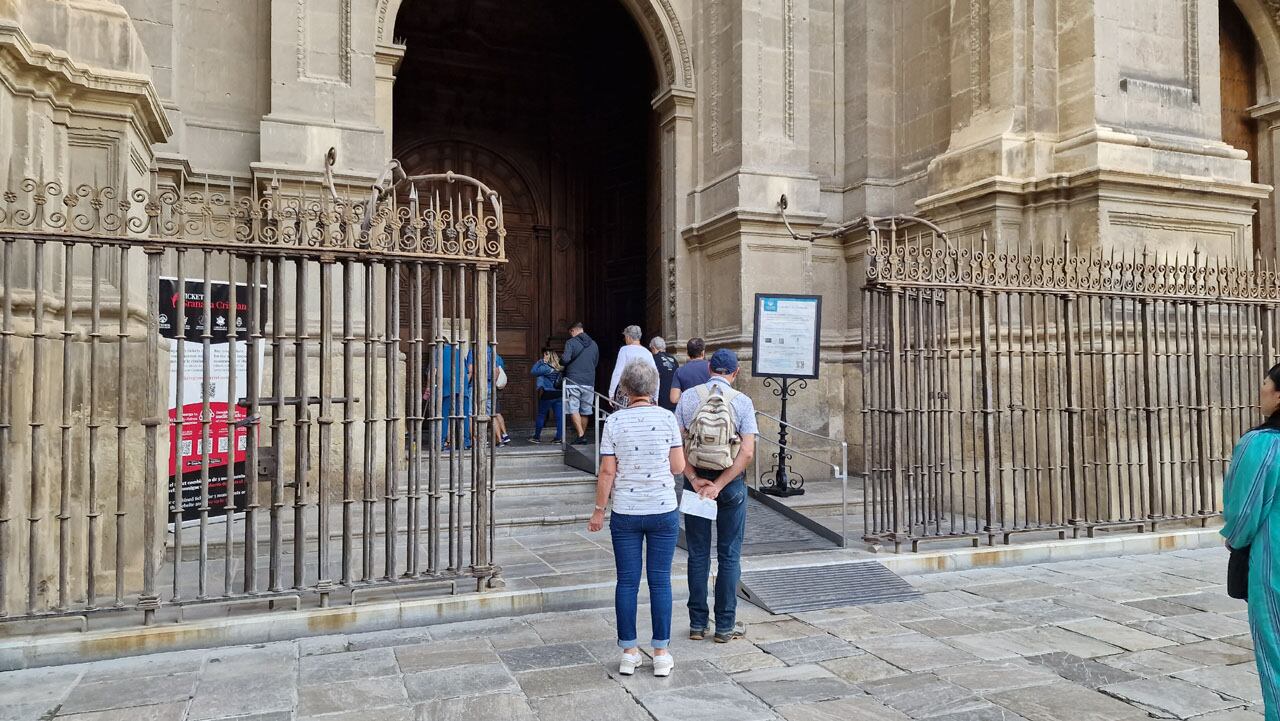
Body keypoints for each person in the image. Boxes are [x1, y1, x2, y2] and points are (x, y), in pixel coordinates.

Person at [587, 360, 685, 678]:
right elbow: (678, 467)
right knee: (660, 581)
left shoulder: (614, 422)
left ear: (626, 390)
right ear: (654, 387)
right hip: (662, 508)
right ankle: (661, 653)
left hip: (626, 511)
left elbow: (606, 471)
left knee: (627, 582)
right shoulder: (668, 419)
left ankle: (629, 652)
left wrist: (599, 510)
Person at [674, 348, 756, 644]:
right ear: (735, 372)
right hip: (730, 484)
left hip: (696, 482)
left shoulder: (688, 397)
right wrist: (720, 485)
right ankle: (724, 626)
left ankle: (697, 625)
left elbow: (677, 442)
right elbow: (747, 452)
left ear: (710, 368)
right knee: (729, 554)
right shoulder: (743, 402)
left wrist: (695, 479)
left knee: (697, 553)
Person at [1222, 362, 1280, 719]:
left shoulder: (1261, 445)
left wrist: (1234, 539)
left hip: (1273, 566)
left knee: (1276, 654)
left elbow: (1242, 515)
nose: (1260, 392)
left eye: (1264, 385)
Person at [561, 322, 600, 445]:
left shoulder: (570, 343)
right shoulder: (594, 344)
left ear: (573, 331)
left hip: (573, 381)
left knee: (573, 408)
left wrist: (561, 361)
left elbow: (565, 359)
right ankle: (581, 435)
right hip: (589, 381)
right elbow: (596, 362)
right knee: (585, 410)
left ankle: (581, 435)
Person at [608, 325, 657, 407]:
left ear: (628, 337)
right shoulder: (647, 353)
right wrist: (656, 397)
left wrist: (611, 393)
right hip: (646, 393)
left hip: (627, 392)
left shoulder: (624, 350)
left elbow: (618, 372)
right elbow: (655, 375)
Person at [529, 349, 565, 444]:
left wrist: (541, 361)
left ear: (547, 356)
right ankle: (558, 438)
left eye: (545, 355)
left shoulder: (546, 368)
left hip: (548, 394)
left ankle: (536, 437)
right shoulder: (560, 368)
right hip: (559, 394)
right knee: (559, 417)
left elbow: (533, 371)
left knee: (541, 415)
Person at [669, 337, 711, 408]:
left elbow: (674, 399)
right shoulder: (712, 367)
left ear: (687, 353)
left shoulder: (680, 371)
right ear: (703, 352)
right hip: (709, 410)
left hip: (689, 410)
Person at [651, 336, 680, 412]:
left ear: (653, 348)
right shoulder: (674, 359)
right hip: (674, 400)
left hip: (661, 402)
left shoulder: (652, 359)